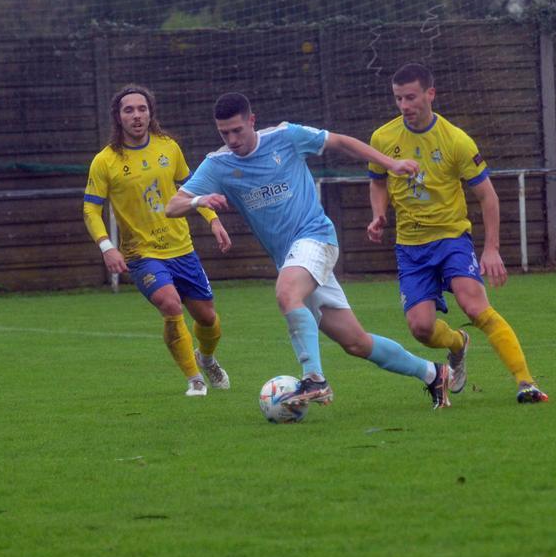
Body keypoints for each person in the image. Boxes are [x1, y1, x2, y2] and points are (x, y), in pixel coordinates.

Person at [164, 92, 453, 409]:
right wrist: (198, 200)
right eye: (224, 133)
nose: (232, 140)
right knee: (356, 342)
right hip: (291, 258)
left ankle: (315, 379)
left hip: (316, 238)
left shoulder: (286, 137)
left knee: (287, 292)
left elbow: (341, 141)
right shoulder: (218, 164)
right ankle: (434, 373)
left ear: (252, 121)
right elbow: (172, 206)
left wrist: (391, 163)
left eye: (237, 130)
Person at [367, 63, 549, 404]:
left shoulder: (455, 140)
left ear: (430, 94)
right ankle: (457, 343)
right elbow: (378, 182)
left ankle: (526, 382)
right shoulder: (383, 138)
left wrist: (491, 249)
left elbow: (487, 196)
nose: (404, 106)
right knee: (421, 328)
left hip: (451, 239)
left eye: (410, 97)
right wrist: (378, 214)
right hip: (410, 247)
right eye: (398, 99)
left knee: (475, 305)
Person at [83, 84, 233, 398]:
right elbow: (91, 209)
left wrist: (214, 220)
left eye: (142, 109)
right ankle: (194, 379)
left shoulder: (169, 147)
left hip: (182, 249)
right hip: (141, 253)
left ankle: (206, 359)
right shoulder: (105, 161)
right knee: (170, 303)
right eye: (129, 110)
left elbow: (192, 189)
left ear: (151, 113)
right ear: (118, 116)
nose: (136, 115)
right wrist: (106, 246)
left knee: (207, 317)